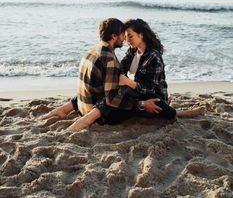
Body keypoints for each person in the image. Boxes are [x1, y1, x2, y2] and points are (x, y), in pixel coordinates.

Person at [42, 18, 205, 131]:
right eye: (125, 36)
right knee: (112, 90)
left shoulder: (154, 57)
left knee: (121, 91)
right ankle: (63, 110)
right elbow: (120, 70)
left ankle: (178, 113)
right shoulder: (133, 51)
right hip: (138, 94)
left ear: (141, 35)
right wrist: (109, 76)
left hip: (153, 96)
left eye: (130, 36)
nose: (127, 40)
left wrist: (130, 84)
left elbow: (149, 89)